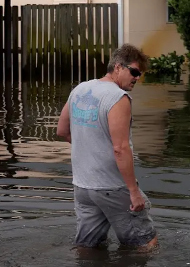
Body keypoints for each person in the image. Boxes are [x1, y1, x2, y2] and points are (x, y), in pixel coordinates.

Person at [57, 44, 158, 252]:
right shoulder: (118, 98)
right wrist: (133, 192)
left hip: (83, 186)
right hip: (112, 186)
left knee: (87, 247)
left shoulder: (80, 89)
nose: (137, 78)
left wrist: (90, 148)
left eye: (140, 74)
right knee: (146, 244)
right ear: (119, 67)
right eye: (135, 72)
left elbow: (62, 131)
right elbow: (120, 149)